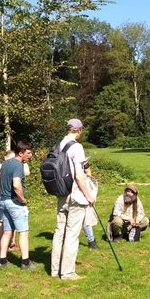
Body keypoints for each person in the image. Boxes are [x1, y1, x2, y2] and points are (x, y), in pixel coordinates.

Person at [50, 118, 96, 280]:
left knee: (59, 231)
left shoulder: (58, 144)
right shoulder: (76, 147)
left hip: (61, 193)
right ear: (78, 130)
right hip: (75, 195)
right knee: (72, 233)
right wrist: (88, 195)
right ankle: (68, 272)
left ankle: (55, 270)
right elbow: (79, 175)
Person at [0, 141, 35, 270]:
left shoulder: (5, 164)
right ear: (21, 153)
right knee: (23, 232)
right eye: (28, 153)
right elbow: (16, 185)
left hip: (3, 201)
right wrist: (23, 200)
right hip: (14, 203)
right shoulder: (18, 165)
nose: (31, 155)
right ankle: (25, 263)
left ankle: (2, 261)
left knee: (7, 232)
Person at [0, 150, 16, 253]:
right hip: (3, 196)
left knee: (5, 221)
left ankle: (7, 244)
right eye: (12, 158)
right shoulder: (0, 167)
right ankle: (5, 245)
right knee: (3, 221)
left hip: (2, 196)